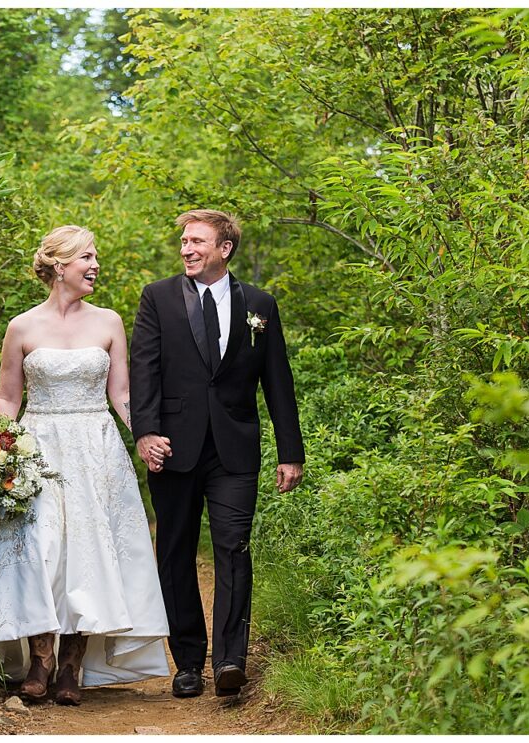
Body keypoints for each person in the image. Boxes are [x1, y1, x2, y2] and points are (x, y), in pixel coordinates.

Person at [0, 225, 171, 706]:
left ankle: (71, 666)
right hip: (39, 446)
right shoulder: (21, 327)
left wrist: (144, 437)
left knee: (89, 552)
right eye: (87, 256)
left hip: (96, 447)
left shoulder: (108, 322)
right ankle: (39, 660)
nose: (95, 265)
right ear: (59, 264)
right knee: (42, 549)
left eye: (96, 257)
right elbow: (7, 398)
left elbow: (122, 394)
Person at [128, 209, 304, 698]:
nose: (186, 248)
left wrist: (290, 451)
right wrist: (145, 434)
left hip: (234, 448)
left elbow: (278, 381)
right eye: (183, 240)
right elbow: (143, 371)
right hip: (173, 448)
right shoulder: (158, 298)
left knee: (233, 548)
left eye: (197, 241)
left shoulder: (260, 304)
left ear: (224, 248)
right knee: (176, 552)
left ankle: (230, 660)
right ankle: (187, 662)